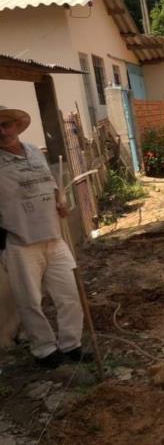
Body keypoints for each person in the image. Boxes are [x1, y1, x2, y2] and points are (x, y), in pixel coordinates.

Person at [0, 105, 85, 368]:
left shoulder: (35, 152)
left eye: (6, 124)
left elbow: (51, 182)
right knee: (30, 302)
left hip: (53, 237)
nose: (3, 131)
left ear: (16, 125)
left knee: (70, 293)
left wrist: (60, 201)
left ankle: (72, 345)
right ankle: (45, 350)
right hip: (19, 242)